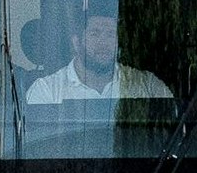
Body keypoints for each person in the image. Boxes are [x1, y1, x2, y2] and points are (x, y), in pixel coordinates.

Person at [27, 6, 170, 103]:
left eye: (110, 34)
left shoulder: (147, 85)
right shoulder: (47, 90)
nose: (103, 42)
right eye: (95, 33)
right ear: (76, 43)